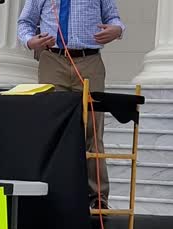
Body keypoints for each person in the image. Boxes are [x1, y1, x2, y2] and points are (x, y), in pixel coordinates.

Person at [17, 0, 125, 209]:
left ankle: (97, 198)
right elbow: (25, 23)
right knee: (51, 128)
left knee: (93, 129)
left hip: (89, 61)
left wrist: (117, 30)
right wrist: (30, 41)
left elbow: (113, 18)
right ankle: (51, 191)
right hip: (53, 60)